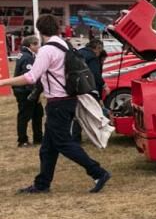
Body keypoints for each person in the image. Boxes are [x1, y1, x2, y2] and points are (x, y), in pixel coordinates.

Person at [0, 14, 110, 194]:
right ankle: (42, 184)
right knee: (48, 148)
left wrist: (3, 82)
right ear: (57, 28)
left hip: (58, 103)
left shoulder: (46, 50)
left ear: (39, 30)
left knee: (64, 144)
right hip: (68, 99)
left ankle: (98, 172)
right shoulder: (64, 45)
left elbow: (31, 77)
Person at [12, 35, 43, 148]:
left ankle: (38, 138)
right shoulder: (28, 57)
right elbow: (29, 77)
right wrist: (35, 94)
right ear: (31, 45)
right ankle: (22, 140)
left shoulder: (24, 54)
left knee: (37, 113)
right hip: (25, 91)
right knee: (25, 116)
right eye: (37, 44)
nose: (39, 46)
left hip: (24, 90)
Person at [78, 38, 107, 104]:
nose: (99, 54)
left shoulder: (79, 52)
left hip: (77, 87)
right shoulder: (92, 57)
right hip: (88, 89)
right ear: (97, 48)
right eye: (100, 51)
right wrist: (104, 85)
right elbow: (95, 74)